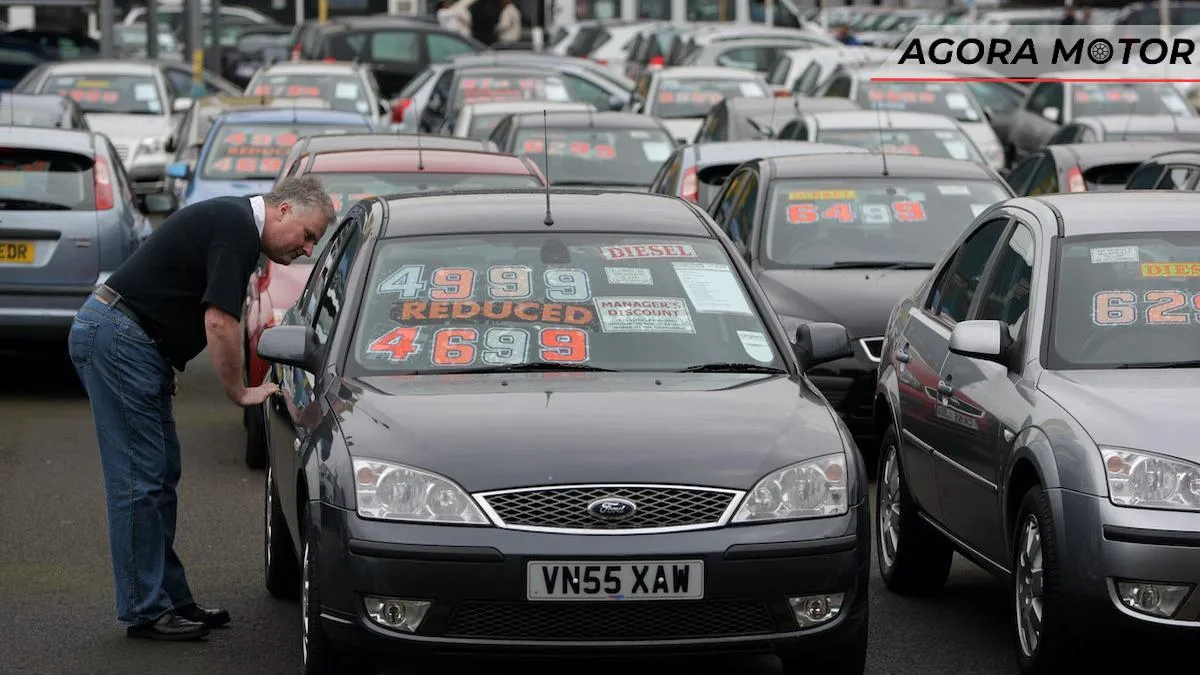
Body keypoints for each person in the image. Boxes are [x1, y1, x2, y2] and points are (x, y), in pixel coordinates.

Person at [68, 176, 335, 641]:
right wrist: (240, 391)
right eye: (308, 235)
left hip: (135, 342)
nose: (308, 249)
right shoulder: (237, 228)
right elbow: (220, 319)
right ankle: (145, 609)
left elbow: (171, 284)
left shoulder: (235, 226)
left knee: (159, 474)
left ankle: (170, 598)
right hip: (118, 337)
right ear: (283, 210)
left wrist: (163, 356)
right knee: (139, 481)